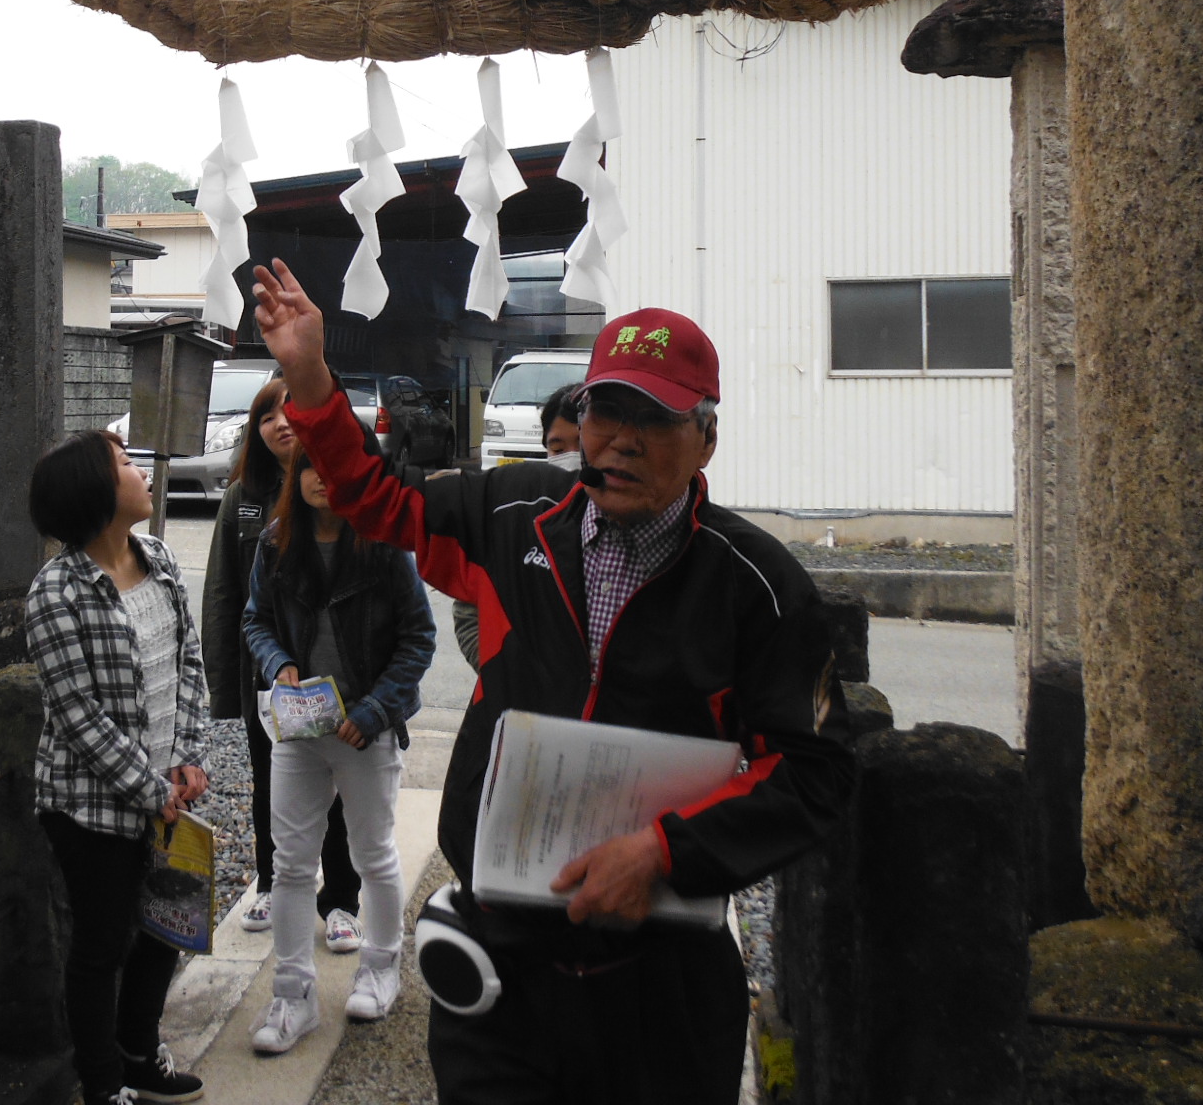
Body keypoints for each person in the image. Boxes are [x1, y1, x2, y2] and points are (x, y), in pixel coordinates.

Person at [251, 260, 855, 1105]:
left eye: (656, 418)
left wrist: (666, 852)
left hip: (663, 975)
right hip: (503, 959)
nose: (621, 440)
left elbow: (813, 772)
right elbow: (374, 497)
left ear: (707, 438)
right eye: (607, 412)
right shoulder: (510, 515)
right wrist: (310, 375)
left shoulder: (756, 585)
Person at [24, 430, 210, 1105]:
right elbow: (78, 717)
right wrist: (151, 790)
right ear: (96, 494)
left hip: (170, 794)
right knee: (101, 945)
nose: (141, 471)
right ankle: (101, 1084)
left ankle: (139, 1052)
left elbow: (190, 663)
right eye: (126, 464)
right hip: (90, 805)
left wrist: (190, 756)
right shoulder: (56, 594)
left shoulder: (158, 558)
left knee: (167, 930)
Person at [240, 443, 437, 1054]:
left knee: (373, 852)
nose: (321, 478)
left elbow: (419, 636)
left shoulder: (381, 545)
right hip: (300, 728)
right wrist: (280, 663)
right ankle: (294, 993)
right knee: (291, 862)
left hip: (364, 728)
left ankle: (381, 967)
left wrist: (377, 709)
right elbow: (255, 619)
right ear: (294, 477)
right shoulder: (276, 543)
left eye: (334, 466)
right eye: (309, 468)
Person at [200, 379, 365, 949]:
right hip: (271, 681)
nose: (280, 422)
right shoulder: (244, 498)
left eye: (289, 409)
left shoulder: (347, 489)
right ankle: (270, 882)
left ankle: (342, 898)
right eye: (266, 414)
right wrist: (228, 689)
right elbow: (225, 599)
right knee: (271, 784)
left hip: (341, 682)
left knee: (341, 791)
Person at [454, 382, 582, 668]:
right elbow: (469, 610)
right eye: (558, 448)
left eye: (582, 446)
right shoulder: (513, 515)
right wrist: (502, 673)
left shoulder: (625, 517)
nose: (571, 458)